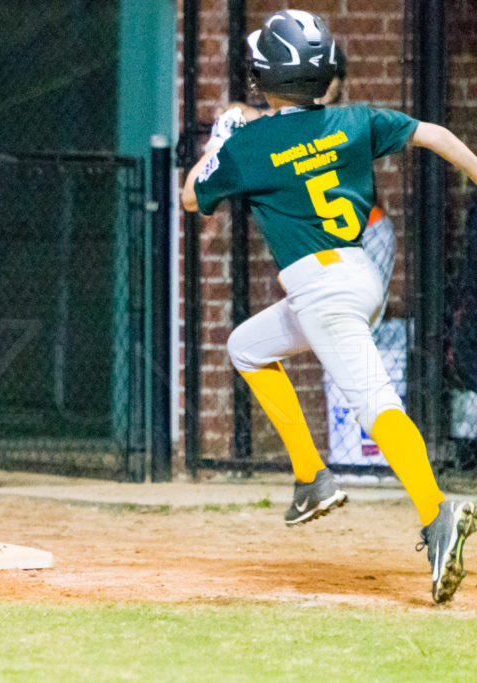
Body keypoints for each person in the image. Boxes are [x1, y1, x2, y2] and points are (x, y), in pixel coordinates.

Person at [181, 9, 477, 604]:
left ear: (264, 76)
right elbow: (436, 136)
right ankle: (312, 477)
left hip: (321, 291)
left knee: (374, 403)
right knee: (247, 346)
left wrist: (220, 138)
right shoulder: (354, 119)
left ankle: (437, 512)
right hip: (358, 273)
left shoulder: (250, 143)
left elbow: (191, 197)